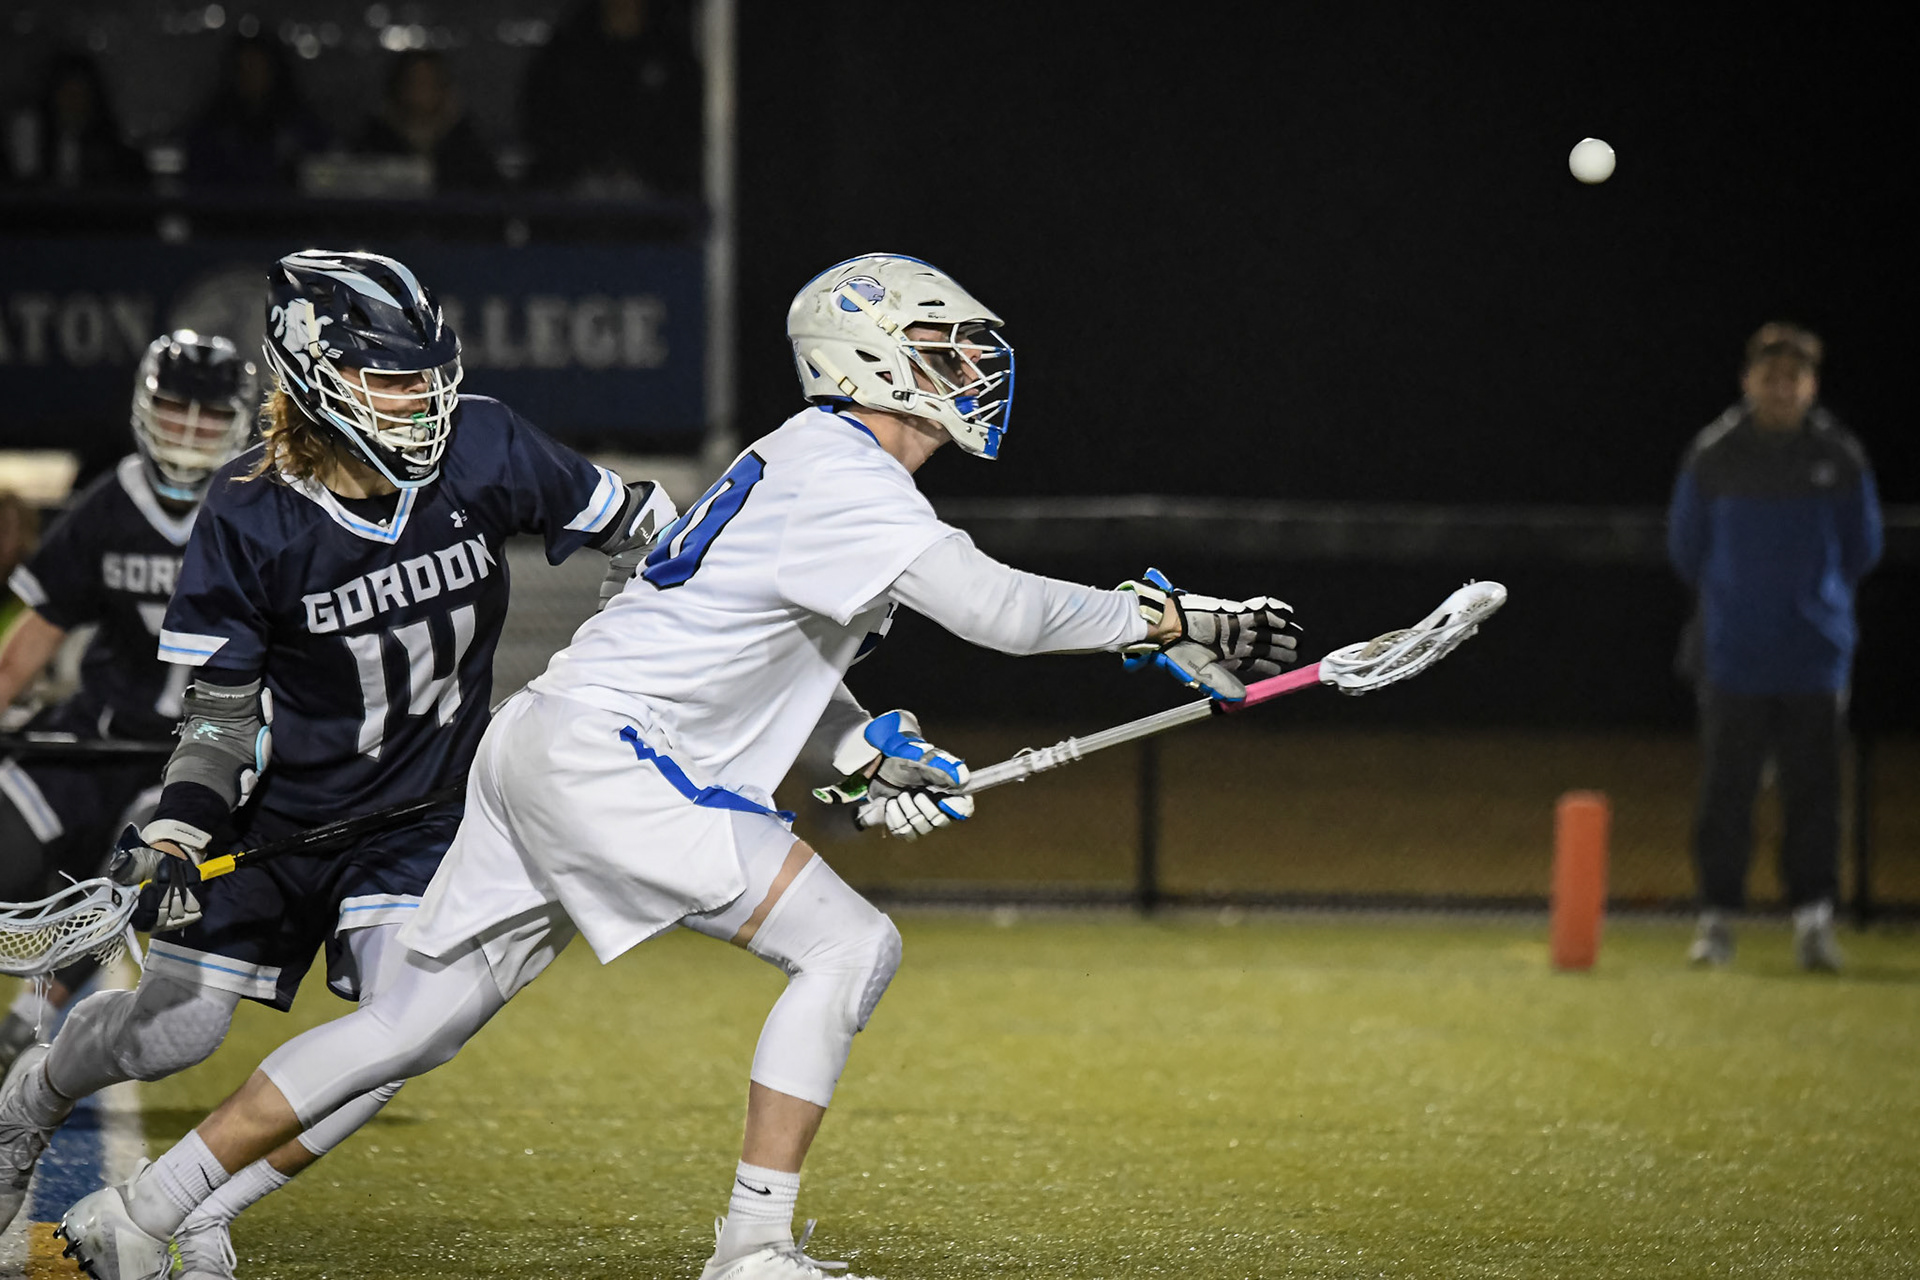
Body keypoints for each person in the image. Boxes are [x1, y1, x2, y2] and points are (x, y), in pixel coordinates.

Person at [46, 254, 1301, 1280]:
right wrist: (1173, 617)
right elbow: (1005, 613)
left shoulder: (811, 464)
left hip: (542, 742)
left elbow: (756, 643)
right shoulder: (851, 476)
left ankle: (139, 1212)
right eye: (940, 347)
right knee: (851, 945)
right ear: (868, 360)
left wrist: (864, 743)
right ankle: (754, 1245)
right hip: (607, 762)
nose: (969, 369)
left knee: (407, 1025)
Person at [0, 250, 676, 1279]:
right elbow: (222, 711)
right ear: (314, 376)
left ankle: (197, 1205)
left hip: (424, 813)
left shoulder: (486, 441)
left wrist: (629, 658)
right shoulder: (248, 509)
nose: (423, 399)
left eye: (429, 374)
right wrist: (179, 828)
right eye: (391, 378)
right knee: (173, 1032)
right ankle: (33, 1095)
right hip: (280, 817)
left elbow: (651, 531)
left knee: (408, 1029)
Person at [0, 331, 257, 1073]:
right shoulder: (112, 503)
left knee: (132, 880)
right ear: (145, 408)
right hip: (99, 735)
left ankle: (27, 1020)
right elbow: (31, 642)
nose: (190, 430)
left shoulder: (260, 510)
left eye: (211, 416)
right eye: (175, 409)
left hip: (196, 758)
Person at [1668, 322, 1883, 971]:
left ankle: (1814, 922)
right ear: (1748, 381)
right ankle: (1716, 922)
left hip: (1814, 657)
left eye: (1794, 377)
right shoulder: (1715, 453)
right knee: (1726, 794)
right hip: (1733, 655)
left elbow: (1864, 547)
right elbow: (1686, 547)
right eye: (1770, 376)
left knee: (1814, 795)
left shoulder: (1839, 456)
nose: (1781, 388)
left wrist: (1816, 605)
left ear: (1811, 386)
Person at [522, 0, 703, 196]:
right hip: (572, 194)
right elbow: (541, 125)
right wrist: (580, 174)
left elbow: (685, 130)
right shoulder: (565, 54)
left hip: (658, 196)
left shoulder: (672, 55)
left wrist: (645, 177)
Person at [184, 34, 329, 190]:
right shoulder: (213, 127)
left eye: (257, 68)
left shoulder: (298, 126)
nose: (250, 77)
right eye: (242, 69)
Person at [353, 51, 497, 192]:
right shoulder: (375, 138)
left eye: (430, 83)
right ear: (397, 87)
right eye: (413, 82)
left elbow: (490, 189)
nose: (421, 92)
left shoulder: (465, 141)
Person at [3, 51, 148, 190]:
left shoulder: (118, 159)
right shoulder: (34, 142)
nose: (73, 103)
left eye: (80, 94)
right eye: (66, 94)